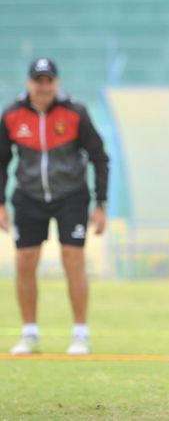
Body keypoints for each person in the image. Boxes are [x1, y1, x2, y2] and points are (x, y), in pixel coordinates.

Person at [0, 57, 109, 355]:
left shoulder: (75, 113)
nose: (44, 86)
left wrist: (100, 203)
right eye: (39, 80)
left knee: (72, 258)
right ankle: (29, 334)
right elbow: (1, 161)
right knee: (25, 261)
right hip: (28, 196)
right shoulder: (12, 115)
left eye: (49, 81)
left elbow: (99, 157)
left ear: (56, 83)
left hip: (71, 196)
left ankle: (80, 333)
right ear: (29, 83)